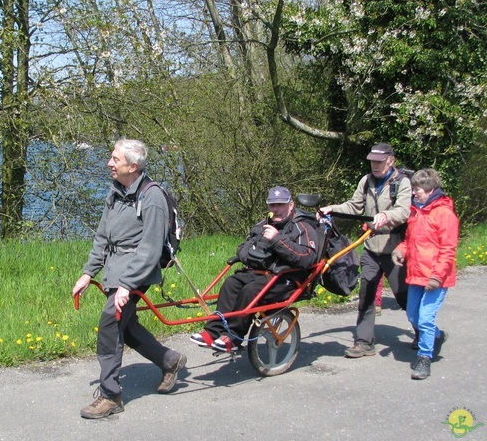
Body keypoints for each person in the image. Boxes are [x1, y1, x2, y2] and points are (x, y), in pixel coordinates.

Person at [71, 139, 186, 419]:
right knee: (128, 326)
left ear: (132, 166)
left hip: (137, 270)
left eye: (115, 159)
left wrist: (127, 285)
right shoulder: (116, 192)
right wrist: (88, 272)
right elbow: (102, 238)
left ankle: (110, 396)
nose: (109, 163)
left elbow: (149, 248)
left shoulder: (152, 197)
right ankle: (170, 361)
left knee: (110, 323)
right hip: (115, 268)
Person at [190, 186, 320, 353]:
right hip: (258, 273)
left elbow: (307, 257)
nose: (276, 209)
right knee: (231, 283)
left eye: (281, 204)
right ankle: (213, 331)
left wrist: (276, 240)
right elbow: (243, 247)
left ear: (291, 205)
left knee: (250, 291)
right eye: (272, 205)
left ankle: (234, 337)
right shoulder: (262, 224)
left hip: (287, 278)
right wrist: (250, 254)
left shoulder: (302, 227)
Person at [319, 142, 411, 358]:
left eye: (379, 162)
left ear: (391, 160)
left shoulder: (402, 182)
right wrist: (333, 209)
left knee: (404, 297)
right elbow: (354, 206)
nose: (375, 166)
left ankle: (423, 332)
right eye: (372, 161)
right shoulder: (366, 181)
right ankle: (363, 342)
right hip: (371, 247)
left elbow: (404, 211)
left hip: (393, 247)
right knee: (367, 295)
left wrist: (387, 216)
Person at [391, 169, 458, 380]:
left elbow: (448, 249)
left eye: (416, 189)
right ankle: (437, 336)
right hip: (416, 275)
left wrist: (437, 277)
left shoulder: (444, 214)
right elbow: (410, 241)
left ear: (429, 190)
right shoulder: (415, 212)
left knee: (426, 318)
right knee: (413, 316)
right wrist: (400, 251)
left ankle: (424, 358)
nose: (413, 193)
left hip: (436, 278)